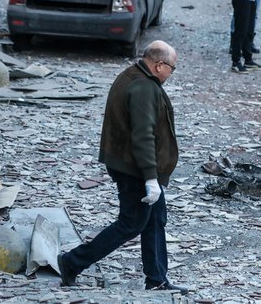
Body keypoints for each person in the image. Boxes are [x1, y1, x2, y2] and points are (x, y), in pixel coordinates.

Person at [57, 41, 187, 294]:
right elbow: (143, 136)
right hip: (135, 169)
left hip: (132, 164)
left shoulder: (133, 75)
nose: (172, 73)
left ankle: (157, 279)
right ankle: (72, 262)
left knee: (155, 219)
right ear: (159, 65)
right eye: (172, 68)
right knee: (131, 223)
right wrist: (150, 178)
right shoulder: (143, 87)